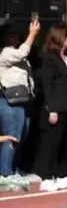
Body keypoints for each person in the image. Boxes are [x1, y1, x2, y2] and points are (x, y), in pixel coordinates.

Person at [34, 24, 67, 191]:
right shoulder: (50, 58)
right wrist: (51, 108)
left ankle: (63, 175)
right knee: (52, 142)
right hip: (56, 106)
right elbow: (47, 85)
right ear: (60, 37)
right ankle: (47, 177)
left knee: (66, 141)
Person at [0, 16, 40, 189]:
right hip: (9, 100)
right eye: (11, 34)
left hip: (22, 99)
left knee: (21, 135)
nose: (16, 37)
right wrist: (32, 34)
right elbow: (23, 52)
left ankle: (13, 169)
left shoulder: (14, 52)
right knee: (12, 135)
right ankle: (5, 173)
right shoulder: (6, 52)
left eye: (17, 34)